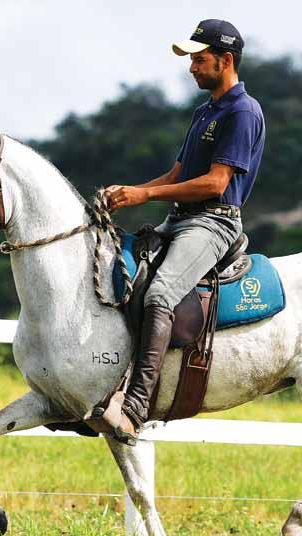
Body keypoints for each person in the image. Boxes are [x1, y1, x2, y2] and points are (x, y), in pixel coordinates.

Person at [100, 19, 266, 442]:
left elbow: (216, 183)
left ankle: (136, 407)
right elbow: (178, 172)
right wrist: (134, 190)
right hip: (181, 217)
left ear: (225, 60)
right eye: (191, 59)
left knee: (159, 295)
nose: (191, 66)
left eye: (199, 59)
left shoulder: (242, 112)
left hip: (213, 222)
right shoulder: (206, 110)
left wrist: (144, 198)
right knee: (124, 278)